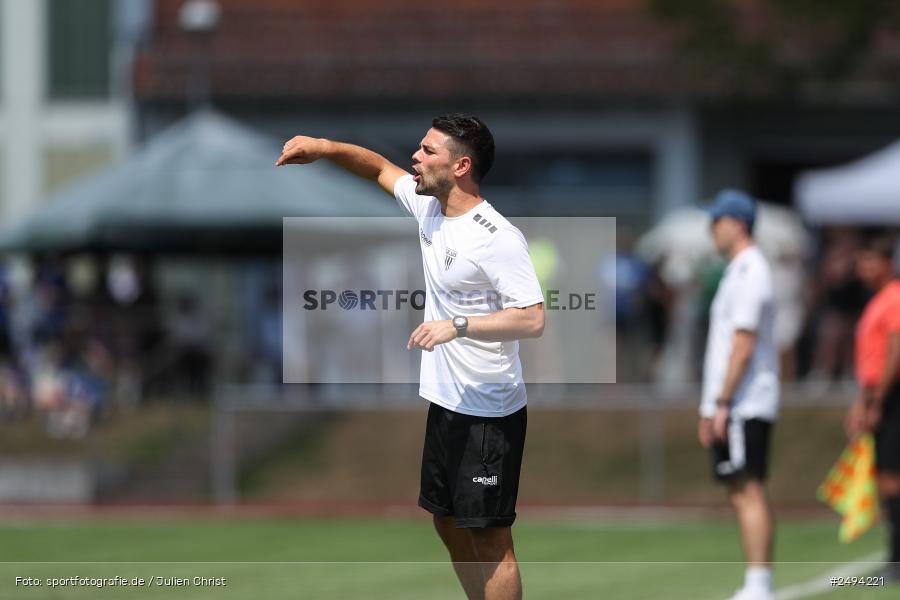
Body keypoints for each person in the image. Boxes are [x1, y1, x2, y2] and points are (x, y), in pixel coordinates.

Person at [277, 114, 545, 600]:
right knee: (446, 521)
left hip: (489, 410)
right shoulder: (429, 209)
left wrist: (458, 325)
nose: (415, 159)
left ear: (460, 165)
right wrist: (324, 145)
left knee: (490, 537)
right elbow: (378, 166)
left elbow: (531, 319)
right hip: (446, 402)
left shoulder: (496, 236)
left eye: (427, 151)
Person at [698, 189, 779, 600]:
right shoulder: (736, 270)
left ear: (737, 224)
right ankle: (757, 581)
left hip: (744, 402)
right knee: (740, 490)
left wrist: (723, 403)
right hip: (734, 403)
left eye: (716, 221)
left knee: (748, 490)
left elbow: (743, 343)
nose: (711, 229)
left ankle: (759, 583)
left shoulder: (750, 270)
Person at [845, 233, 900, 582]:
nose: (864, 268)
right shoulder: (876, 299)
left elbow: (894, 351)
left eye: (871, 261)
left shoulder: (894, 297)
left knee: (893, 479)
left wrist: (878, 399)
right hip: (878, 392)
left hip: (893, 395)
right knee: (884, 478)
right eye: (861, 261)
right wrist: (860, 401)